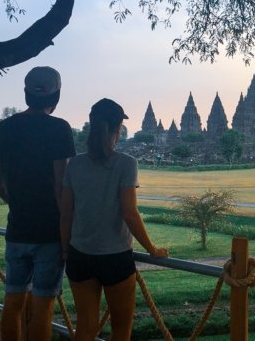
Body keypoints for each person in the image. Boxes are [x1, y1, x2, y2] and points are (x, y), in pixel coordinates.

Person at [60, 98, 168, 341]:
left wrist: (65, 248)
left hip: (79, 255)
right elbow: (129, 212)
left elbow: (66, 212)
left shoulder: (74, 164)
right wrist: (151, 249)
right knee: (121, 329)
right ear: (118, 129)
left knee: (86, 328)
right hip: (115, 257)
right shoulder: (126, 164)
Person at [0, 66, 76, 341]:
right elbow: (61, 187)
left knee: (12, 303)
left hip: (17, 229)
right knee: (43, 308)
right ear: (56, 95)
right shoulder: (59, 128)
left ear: (26, 93)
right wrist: (65, 238)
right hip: (49, 232)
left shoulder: (6, 127)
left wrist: (19, 204)